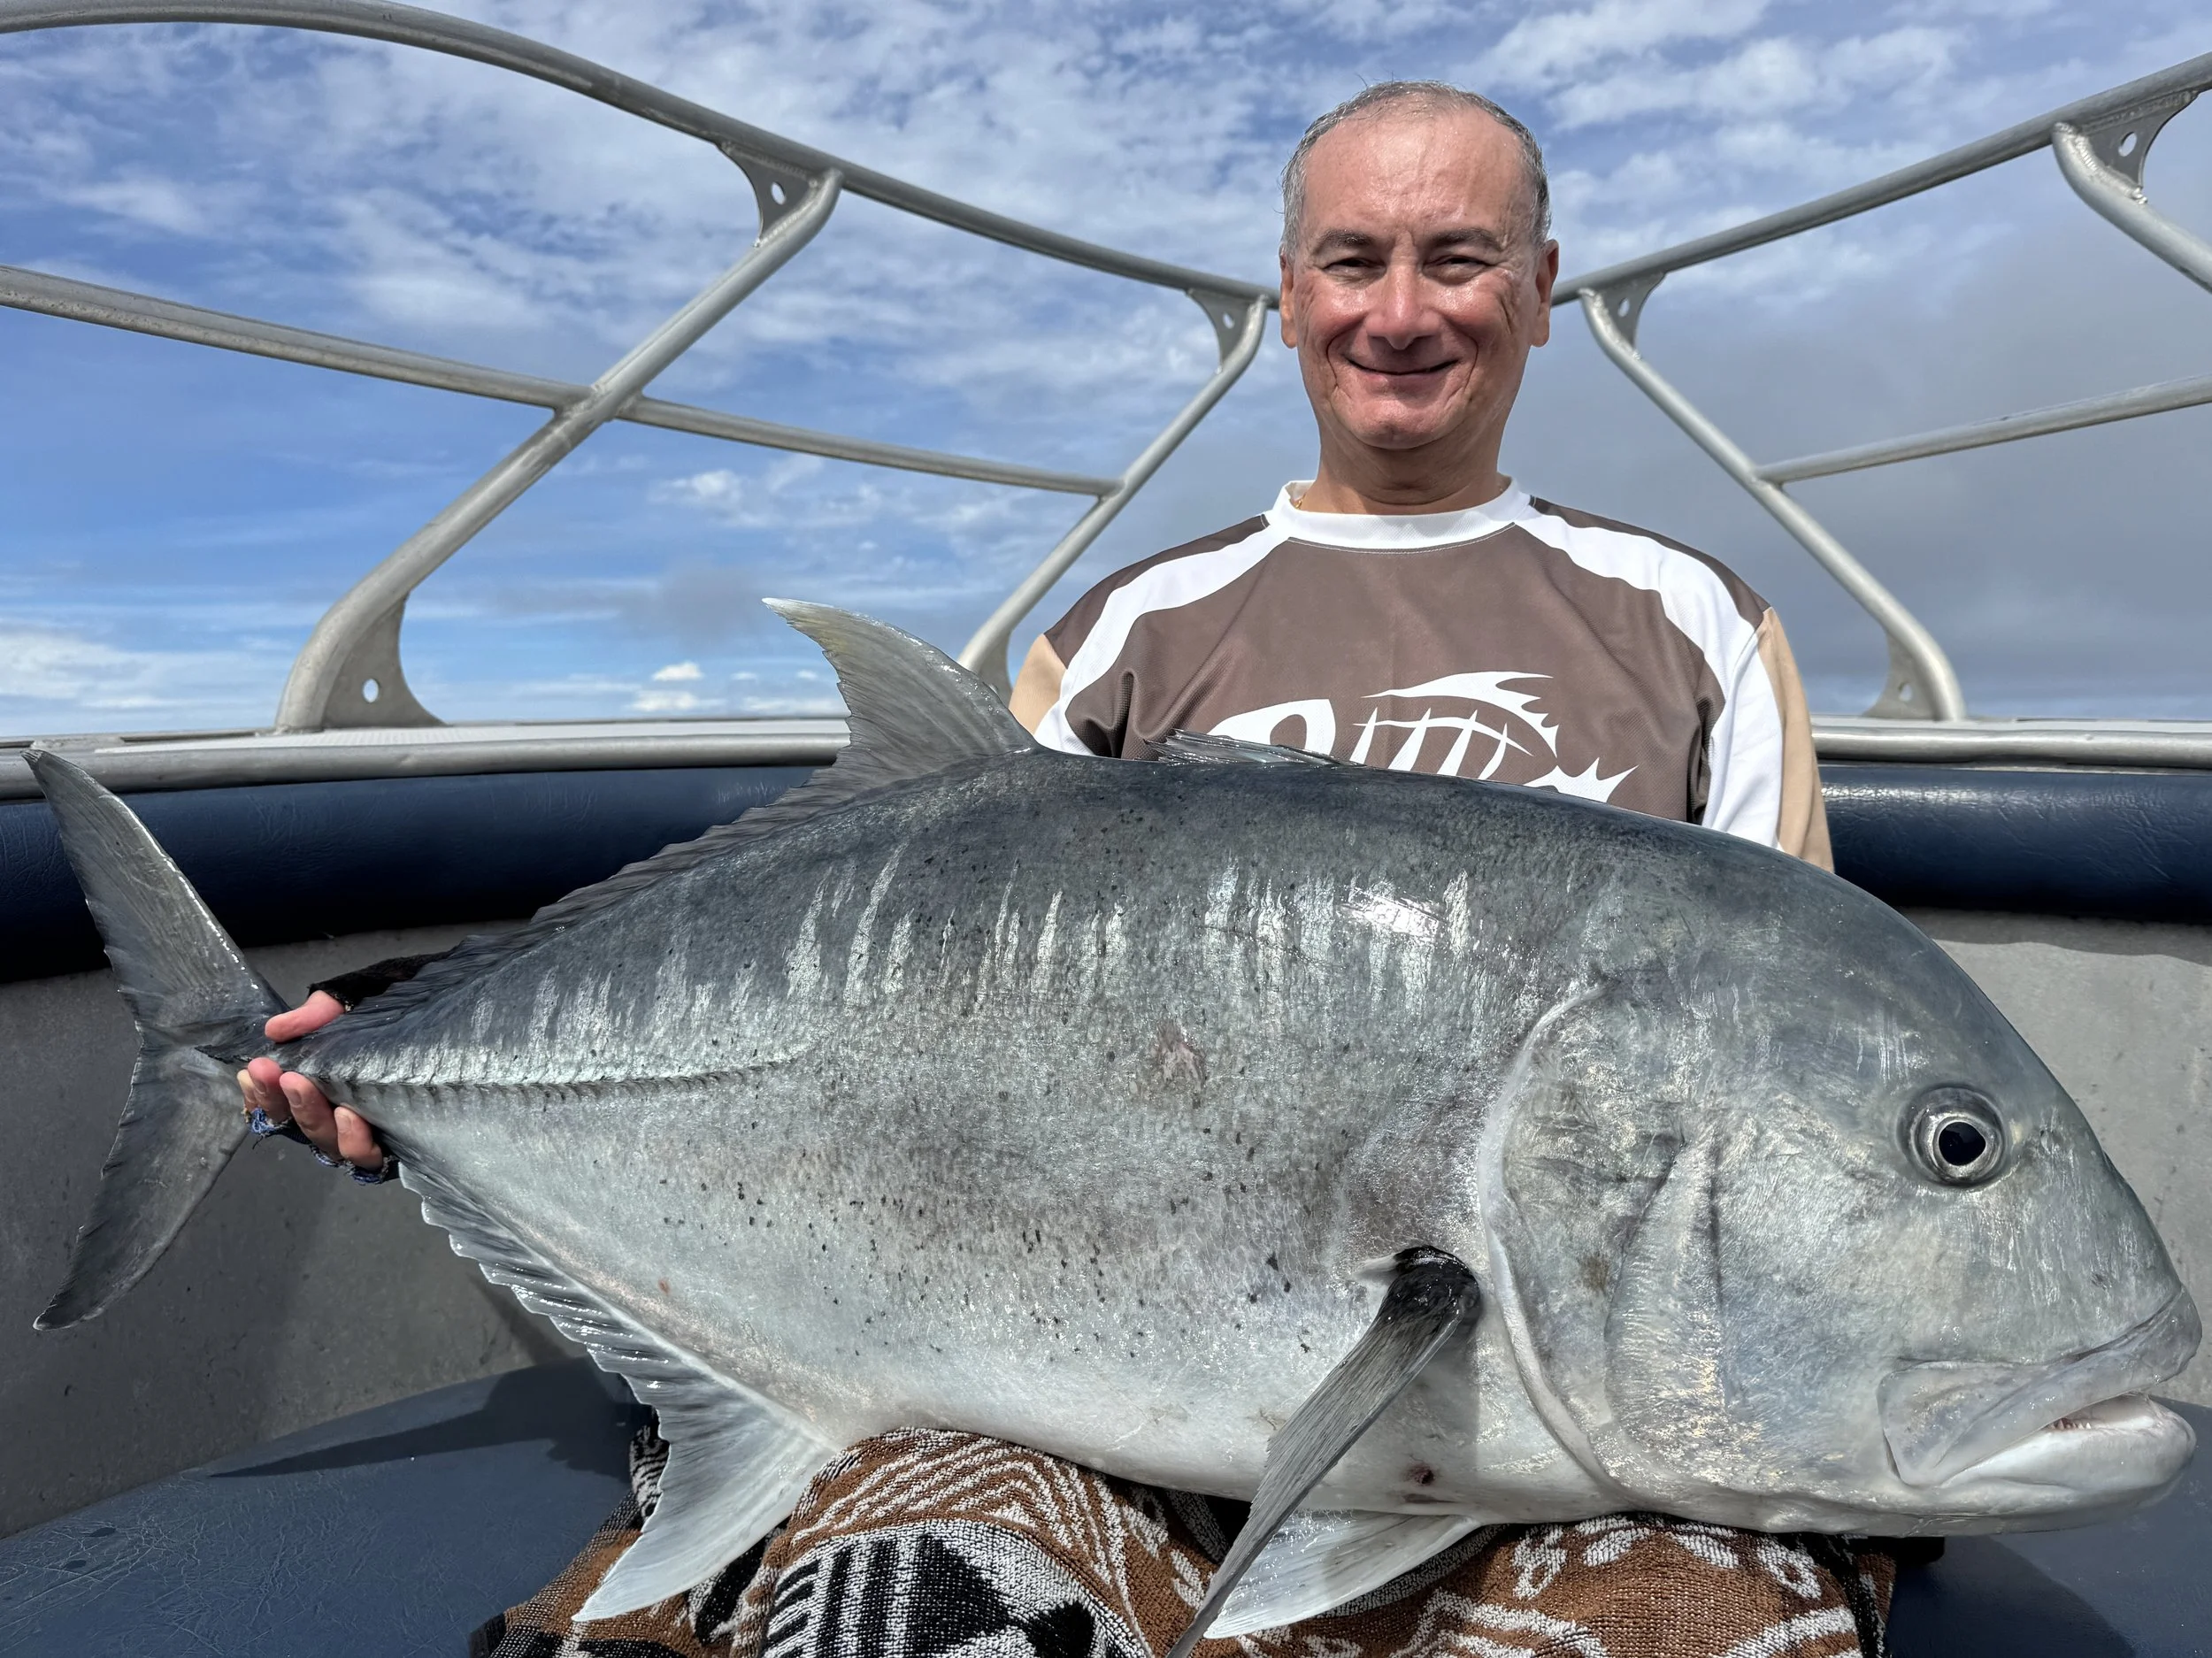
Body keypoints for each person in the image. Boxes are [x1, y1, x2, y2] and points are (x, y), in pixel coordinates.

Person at [244, 83, 1888, 1658]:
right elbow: (879, 958)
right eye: (1352, 261)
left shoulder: (1692, 626)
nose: (1401, 313)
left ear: (1539, 289)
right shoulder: (1133, 629)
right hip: (1114, 1386)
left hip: (1562, 1383)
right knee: (913, 1586)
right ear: (1289, 294)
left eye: (1458, 259)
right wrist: (413, 1032)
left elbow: (1770, 1068)